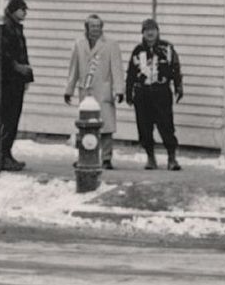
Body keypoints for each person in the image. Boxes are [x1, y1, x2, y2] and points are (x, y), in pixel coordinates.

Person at [64, 13, 122, 169]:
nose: (95, 29)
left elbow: (117, 68)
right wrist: (69, 89)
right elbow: (74, 68)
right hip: (86, 90)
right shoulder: (79, 44)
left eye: (98, 26)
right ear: (87, 28)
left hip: (103, 89)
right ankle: (86, 156)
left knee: (106, 125)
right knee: (86, 124)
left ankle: (106, 158)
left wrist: (119, 89)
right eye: (92, 26)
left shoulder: (110, 44)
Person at [125, 17, 184, 170]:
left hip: (161, 92)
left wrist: (178, 87)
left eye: (153, 29)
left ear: (158, 31)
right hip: (142, 93)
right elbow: (131, 73)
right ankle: (150, 157)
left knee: (166, 126)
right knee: (144, 127)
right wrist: (128, 92)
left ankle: (172, 158)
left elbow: (176, 69)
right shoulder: (138, 51)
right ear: (142, 33)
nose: (150, 33)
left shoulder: (167, 48)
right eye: (146, 30)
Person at [0, 0, 34, 172]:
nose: (24, 12)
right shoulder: (7, 30)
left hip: (17, 81)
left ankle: (6, 152)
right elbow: (6, 55)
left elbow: (22, 54)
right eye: (22, 9)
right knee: (8, 118)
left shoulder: (17, 29)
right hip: (9, 81)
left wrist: (27, 77)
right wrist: (18, 68)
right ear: (13, 10)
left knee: (13, 118)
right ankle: (2, 154)